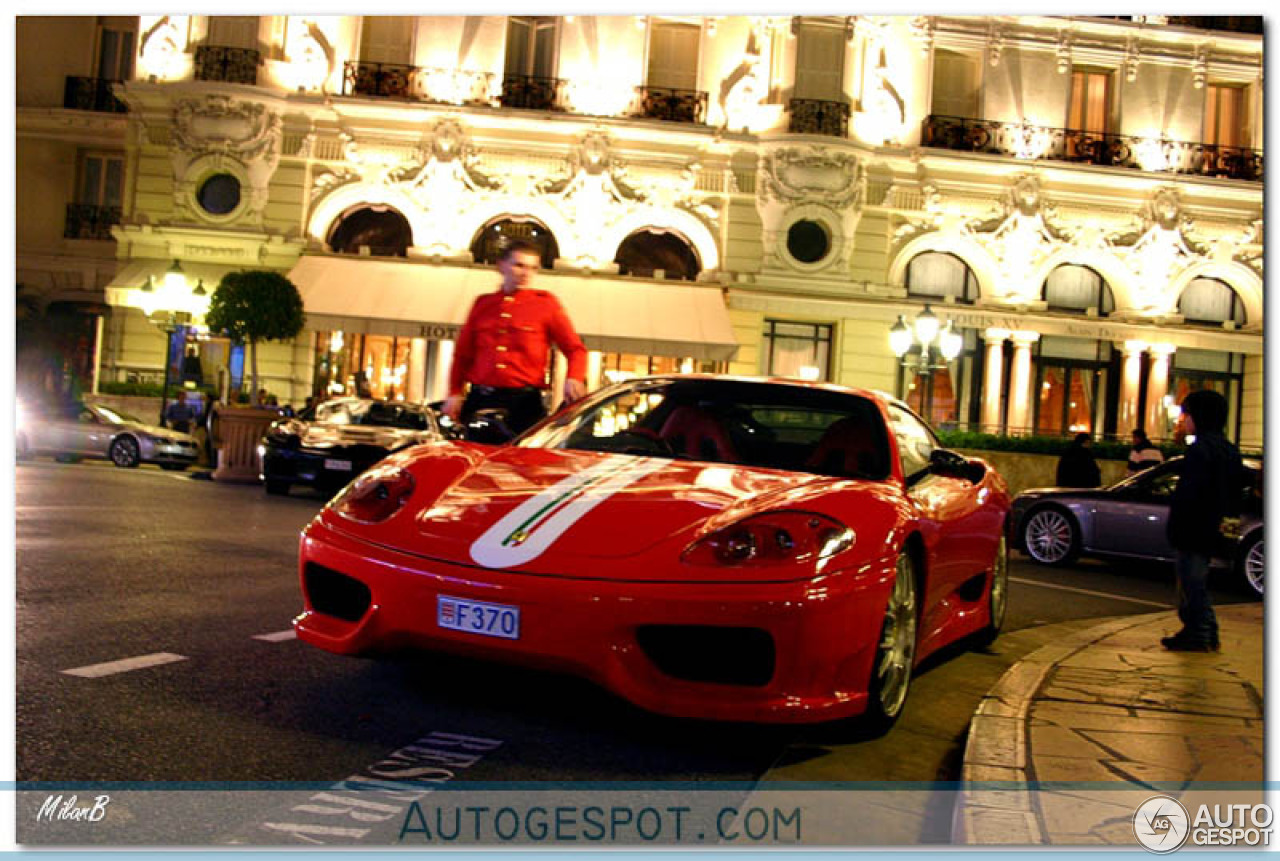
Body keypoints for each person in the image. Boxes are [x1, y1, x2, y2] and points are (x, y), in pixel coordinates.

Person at [443, 239, 588, 436]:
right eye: (519, 265)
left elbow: (575, 349)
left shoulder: (546, 305)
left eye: (532, 268)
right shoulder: (483, 304)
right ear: (501, 266)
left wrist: (574, 377)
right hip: (482, 399)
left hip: (523, 405)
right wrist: (454, 392)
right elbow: (463, 355)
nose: (525, 273)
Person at [1162, 389, 1242, 652]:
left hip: (1195, 526)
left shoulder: (1201, 450)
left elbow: (1191, 493)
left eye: (1187, 414)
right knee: (1197, 579)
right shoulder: (1229, 449)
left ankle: (1201, 631)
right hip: (1216, 525)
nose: (1183, 420)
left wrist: (1177, 526)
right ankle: (1200, 631)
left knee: (1191, 580)